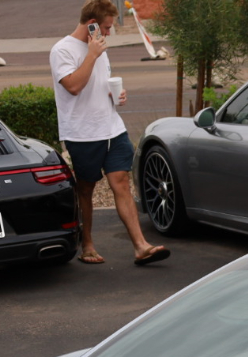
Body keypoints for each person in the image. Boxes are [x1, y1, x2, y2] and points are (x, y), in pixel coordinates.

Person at [49, 0, 168, 266]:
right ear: (91, 24)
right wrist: (91, 54)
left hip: (112, 129)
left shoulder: (100, 48)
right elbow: (73, 87)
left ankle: (141, 246)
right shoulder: (62, 50)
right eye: (105, 27)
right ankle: (87, 244)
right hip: (82, 134)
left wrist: (117, 96)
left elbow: (98, 85)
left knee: (121, 182)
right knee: (86, 189)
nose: (109, 33)